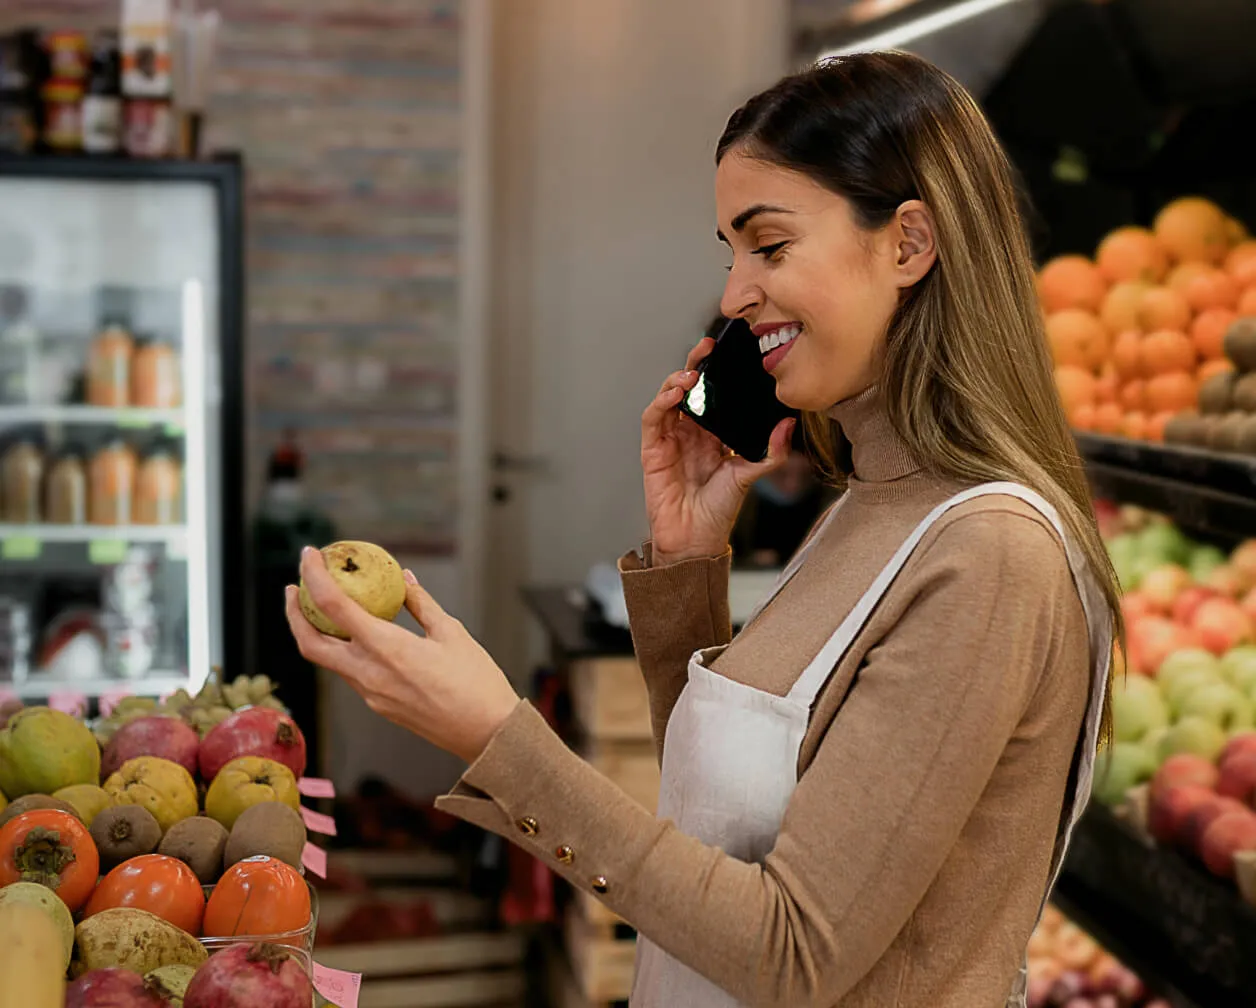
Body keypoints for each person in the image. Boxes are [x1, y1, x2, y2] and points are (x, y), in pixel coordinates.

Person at [286, 51, 1120, 1008]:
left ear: (909, 243)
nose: (733, 295)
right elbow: (725, 821)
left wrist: (499, 739)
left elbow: (792, 952)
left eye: (768, 247)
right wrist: (687, 567)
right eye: (731, 253)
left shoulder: (991, 557)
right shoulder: (872, 502)